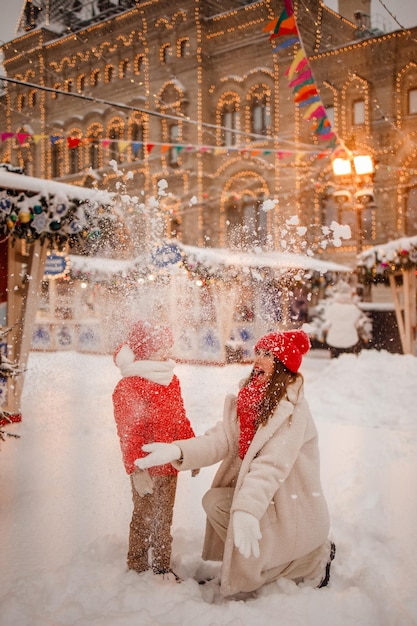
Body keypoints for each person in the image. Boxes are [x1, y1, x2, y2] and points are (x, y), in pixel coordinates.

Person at [136, 330, 335, 598]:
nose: (258, 360)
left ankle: (312, 561)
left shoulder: (292, 410)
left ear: (282, 364)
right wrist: (177, 449)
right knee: (215, 502)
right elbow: (220, 439)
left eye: (268, 355)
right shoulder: (252, 401)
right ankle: (258, 563)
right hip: (269, 501)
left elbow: (270, 466)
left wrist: (247, 511)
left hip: (292, 512)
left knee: (241, 524)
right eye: (259, 353)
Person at [112, 320, 196, 581]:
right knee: (143, 518)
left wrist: (190, 451)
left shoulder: (170, 380)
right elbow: (129, 432)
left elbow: (180, 419)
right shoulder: (130, 386)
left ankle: (162, 566)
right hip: (146, 468)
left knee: (163, 519)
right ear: (147, 349)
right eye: (163, 345)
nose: (169, 350)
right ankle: (136, 565)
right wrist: (136, 468)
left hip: (170, 463)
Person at [324, 281, 362, 358]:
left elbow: (328, 320)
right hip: (350, 340)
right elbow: (357, 325)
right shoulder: (354, 309)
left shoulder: (332, 308)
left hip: (334, 340)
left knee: (335, 364)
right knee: (349, 363)